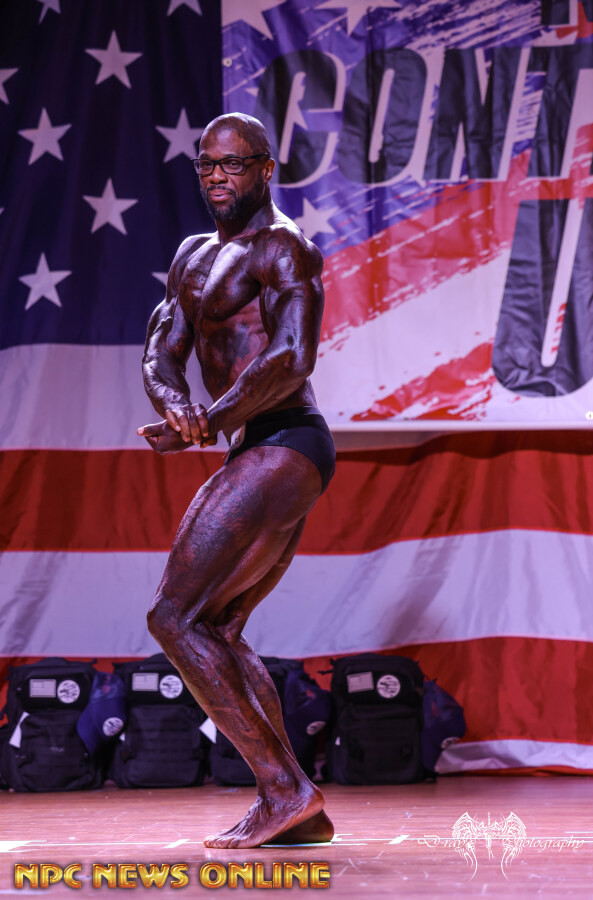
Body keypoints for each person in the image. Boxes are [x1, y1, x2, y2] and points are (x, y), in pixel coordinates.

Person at [136, 113, 336, 849]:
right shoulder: (193, 255)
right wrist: (178, 407)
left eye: (234, 164)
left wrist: (211, 419)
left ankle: (285, 790)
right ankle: (295, 805)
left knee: (173, 618)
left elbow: (292, 356)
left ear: (266, 168)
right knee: (215, 628)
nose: (218, 176)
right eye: (207, 165)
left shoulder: (284, 247)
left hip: (287, 440)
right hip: (252, 444)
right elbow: (162, 348)